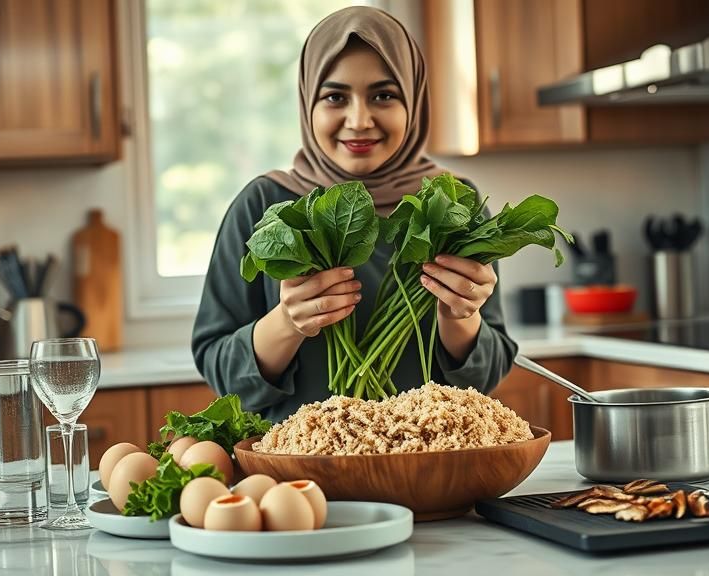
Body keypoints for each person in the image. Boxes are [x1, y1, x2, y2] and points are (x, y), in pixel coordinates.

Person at [192, 6, 517, 422]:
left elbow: (486, 376)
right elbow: (221, 371)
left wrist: (460, 317)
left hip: (426, 457)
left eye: (384, 95)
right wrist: (287, 323)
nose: (360, 120)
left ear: (414, 101)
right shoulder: (264, 203)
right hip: (301, 460)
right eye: (335, 97)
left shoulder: (454, 203)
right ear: (308, 102)